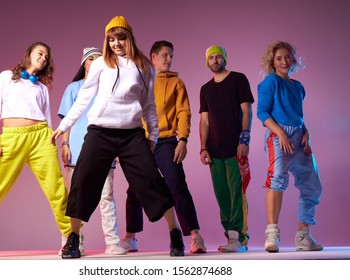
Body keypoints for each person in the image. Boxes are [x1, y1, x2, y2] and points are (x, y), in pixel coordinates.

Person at [50, 16, 185, 258]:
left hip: (131, 134)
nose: (116, 43)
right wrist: (64, 126)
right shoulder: (101, 64)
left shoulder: (144, 67)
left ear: (129, 37)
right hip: (100, 132)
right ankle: (73, 239)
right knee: (82, 180)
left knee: (152, 180)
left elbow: (149, 106)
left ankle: (175, 234)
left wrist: (152, 136)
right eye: (111, 39)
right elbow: (83, 98)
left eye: (120, 37)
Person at [0, 42, 71, 260]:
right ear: (29, 54)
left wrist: (51, 142)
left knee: (57, 189)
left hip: (41, 137)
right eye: (40, 53)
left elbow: (47, 116)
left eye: (47, 56)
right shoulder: (6, 77)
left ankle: (72, 236)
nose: (43, 58)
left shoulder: (41, 88)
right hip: (11, 138)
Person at [121, 40, 206, 254]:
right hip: (139, 141)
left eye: (172, 56)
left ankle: (194, 235)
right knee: (134, 189)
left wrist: (183, 140)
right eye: (166, 55)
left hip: (166, 140)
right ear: (154, 57)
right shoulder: (139, 79)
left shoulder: (176, 83)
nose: (169, 59)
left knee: (177, 184)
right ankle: (131, 237)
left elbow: (183, 113)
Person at [58, 47, 126, 255]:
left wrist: (118, 148)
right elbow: (67, 119)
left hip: (104, 150)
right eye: (91, 59)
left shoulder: (109, 87)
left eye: (99, 58)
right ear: (84, 63)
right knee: (74, 199)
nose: (96, 61)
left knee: (106, 196)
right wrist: (66, 144)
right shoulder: (73, 88)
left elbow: (117, 117)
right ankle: (71, 242)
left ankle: (112, 242)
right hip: (77, 151)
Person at [257, 40, 323, 253]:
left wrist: (306, 132)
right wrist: (280, 134)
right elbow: (263, 113)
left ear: (293, 59)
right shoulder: (270, 82)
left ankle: (303, 236)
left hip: (299, 137)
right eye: (279, 58)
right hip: (279, 136)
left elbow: (298, 115)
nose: (284, 61)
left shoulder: (298, 87)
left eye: (287, 57)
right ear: (272, 62)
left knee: (311, 183)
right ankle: (272, 235)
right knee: (277, 179)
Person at [199, 45, 254, 253]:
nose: (215, 61)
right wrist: (203, 148)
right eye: (211, 58)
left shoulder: (238, 80)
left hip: (235, 149)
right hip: (214, 152)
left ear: (224, 59)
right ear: (207, 62)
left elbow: (246, 112)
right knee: (222, 195)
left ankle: (239, 238)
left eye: (218, 57)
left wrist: (244, 140)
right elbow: (204, 121)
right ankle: (229, 235)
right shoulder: (205, 89)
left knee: (237, 195)